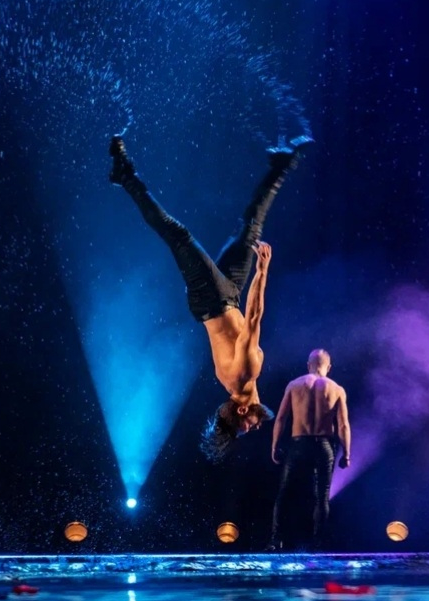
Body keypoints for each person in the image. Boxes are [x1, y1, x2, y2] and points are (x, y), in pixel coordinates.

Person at [108, 133, 313, 464]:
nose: (254, 427)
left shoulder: (244, 374)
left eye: (247, 426)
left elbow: (254, 316)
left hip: (211, 297)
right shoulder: (238, 383)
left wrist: (262, 272)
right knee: (250, 231)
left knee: (178, 235)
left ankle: (125, 175)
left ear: (242, 410)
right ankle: (280, 165)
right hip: (227, 296)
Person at [266, 348, 350, 551]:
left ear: (308, 365)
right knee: (322, 497)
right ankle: (318, 544)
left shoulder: (294, 385)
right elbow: (343, 425)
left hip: (298, 444)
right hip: (323, 446)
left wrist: (275, 445)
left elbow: (281, 418)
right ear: (329, 367)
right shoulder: (337, 389)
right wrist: (346, 453)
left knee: (285, 493)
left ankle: (276, 540)